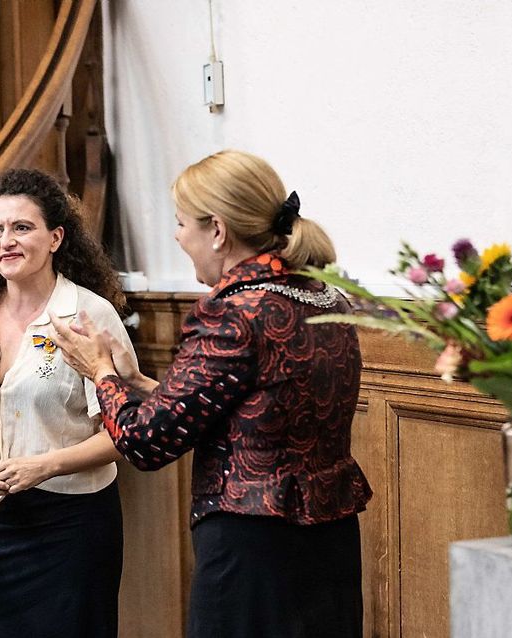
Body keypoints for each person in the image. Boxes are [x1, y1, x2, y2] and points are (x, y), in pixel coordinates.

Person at [52, 149, 373, 638]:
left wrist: (99, 372)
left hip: (253, 552)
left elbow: (145, 442)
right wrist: (137, 383)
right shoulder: (325, 297)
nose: (178, 236)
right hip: (328, 545)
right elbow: (253, 410)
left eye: (182, 224)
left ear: (218, 231)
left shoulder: (233, 313)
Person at [0, 168, 134, 638]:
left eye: (22, 227)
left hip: (72, 524)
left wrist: (45, 466)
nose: (6, 241)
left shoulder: (89, 316)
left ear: (56, 238)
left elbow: (122, 434)